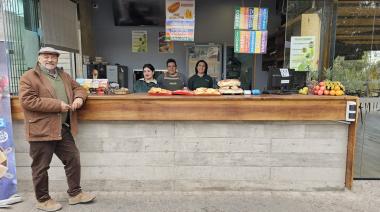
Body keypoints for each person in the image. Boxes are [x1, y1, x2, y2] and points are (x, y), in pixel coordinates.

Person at [19, 47, 95, 212]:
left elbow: (79, 88)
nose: (50, 60)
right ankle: (43, 199)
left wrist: (79, 99)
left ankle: (75, 194)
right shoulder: (29, 77)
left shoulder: (63, 75)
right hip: (41, 128)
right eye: (46, 57)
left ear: (57, 59)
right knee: (41, 167)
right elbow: (27, 101)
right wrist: (57, 105)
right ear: (39, 58)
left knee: (73, 158)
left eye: (53, 57)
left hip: (61, 127)